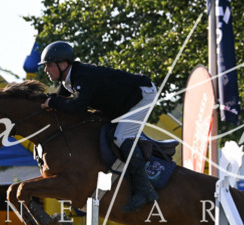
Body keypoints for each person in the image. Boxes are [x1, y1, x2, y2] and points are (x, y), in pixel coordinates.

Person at [38, 40, 159, 211]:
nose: (46, 70)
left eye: (49, 65)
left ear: (63, 64)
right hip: (121, 102)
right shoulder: (68, 80)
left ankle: (145, 190)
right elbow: (58, 99)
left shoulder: (82, 76)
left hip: (142, 96)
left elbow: (76, 107)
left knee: (120, 137)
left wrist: (53, 102)